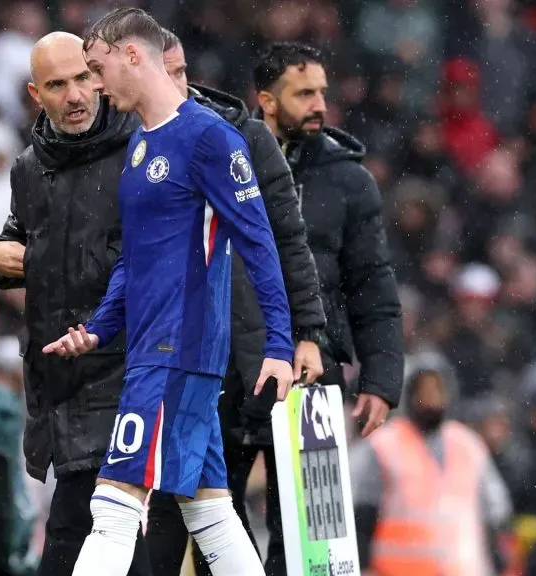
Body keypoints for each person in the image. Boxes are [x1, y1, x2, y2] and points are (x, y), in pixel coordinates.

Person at [43, 8, 295, 576]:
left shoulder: (210, 139)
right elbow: (135, 262)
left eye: (97, 67)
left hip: (177, 353)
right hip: (153, 351)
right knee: (209, 510)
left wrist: (279, 343)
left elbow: (260, 244)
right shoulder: (138, 149)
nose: (95, 84)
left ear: (132, 54)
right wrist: (98, 329)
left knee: (111, 507)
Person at [146, 28, 328, 576]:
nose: (174, 84)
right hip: (171, 352)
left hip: (250, 352)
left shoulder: (245, 138)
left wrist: (308, 335)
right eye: (164, 73)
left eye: (179, 72)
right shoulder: (132, 144)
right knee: (189, 502)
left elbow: (289, 243)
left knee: (296, 523)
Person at [0, 32, 152, 576]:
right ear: (35, 94)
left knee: (82, 543)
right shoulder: (30, 167)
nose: (74, 95)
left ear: (100, 77)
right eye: (57, 85)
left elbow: (136, 265)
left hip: (124, 374)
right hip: (58, 381)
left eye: (82, 78)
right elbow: (21, 242)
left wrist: (34, 262)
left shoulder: (143, 150)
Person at [253, 43, 403, 437]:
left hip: (316, 364)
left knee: (311, 501)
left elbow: (372, 284)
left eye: (322, 92)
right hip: (234, 364)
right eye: (304, 93)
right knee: (211, 498)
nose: (320, 104)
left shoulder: (350, 180)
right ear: (267, 101)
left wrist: (380, 380)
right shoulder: (227, 162)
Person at [349, 367, 512, 576]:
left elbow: (496, 512)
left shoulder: (468, 445)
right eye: (424, 392)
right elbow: (364, 510)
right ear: (410, 396)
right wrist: (363, 565)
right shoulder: (385, 444)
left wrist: (498, 559)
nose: (432, 399)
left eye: (437, 391)